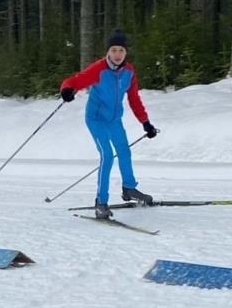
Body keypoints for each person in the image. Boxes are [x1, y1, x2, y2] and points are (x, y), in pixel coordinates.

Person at [59, 29, 160, 219]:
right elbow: (75, 80)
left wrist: (145, 123)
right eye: (113, 50)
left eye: (121, 50)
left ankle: (129, 188)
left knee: (124, 151)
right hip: (96, 120)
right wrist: (67, 89)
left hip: (114, 120)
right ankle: (101, 202)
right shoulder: (99, 69)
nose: (117, 54)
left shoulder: (129, 72)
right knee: (107, 155)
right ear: (108, 51)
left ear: (126, 52)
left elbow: (134, 99)